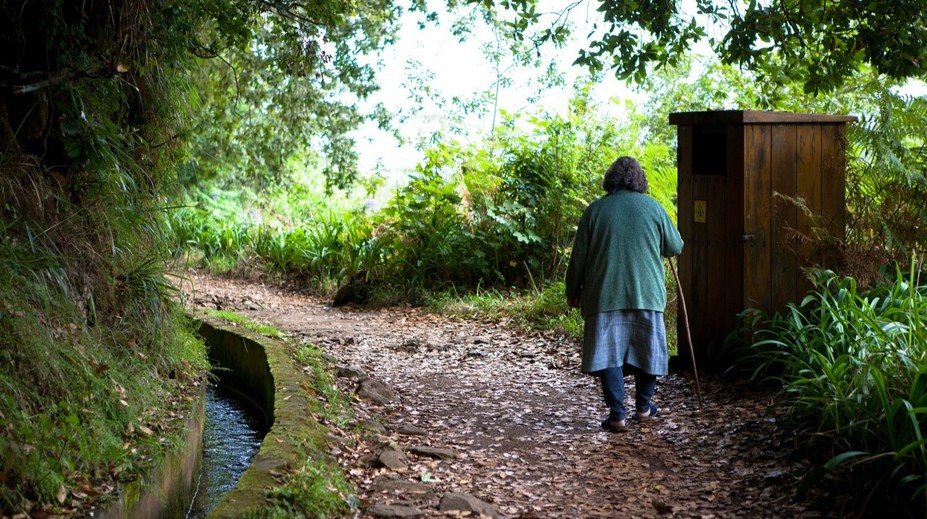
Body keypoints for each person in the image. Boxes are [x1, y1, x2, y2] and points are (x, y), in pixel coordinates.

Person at [565, 156, 684, 432]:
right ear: (639, 181)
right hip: (647, 294)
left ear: (610, 180)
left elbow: (578, 259)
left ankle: (618, 414)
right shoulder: (653, 208)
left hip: (604, 295)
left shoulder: (595, 211)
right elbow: (675, 246)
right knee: (647, 350)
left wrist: (573, 291)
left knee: (609, 354)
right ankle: (643, 407)